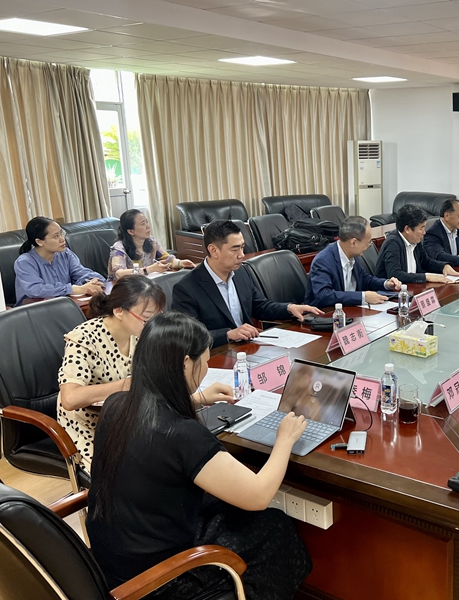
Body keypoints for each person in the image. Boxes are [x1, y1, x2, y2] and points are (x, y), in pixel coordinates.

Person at [87, 312, 311, 599]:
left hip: (113, 563)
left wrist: (198, 398)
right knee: (274, 527)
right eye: (204, 361)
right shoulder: (183, 435)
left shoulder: (116, 405)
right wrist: (285, 439)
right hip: (160, 579)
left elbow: (152, 413)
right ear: (185, 364)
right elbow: (258, 495)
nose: (206, 368)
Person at [58, 275, 233, 468]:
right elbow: (70, 399)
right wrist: (129, 383)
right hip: (92, 427)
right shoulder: (83, 338)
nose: (153, 324)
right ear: (119, 311)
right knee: (147, 469)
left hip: (134, 419)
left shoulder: (141, 334)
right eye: (148, 317)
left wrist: (197, 398)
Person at [172, 220, 322, 348]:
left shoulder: (241, 272)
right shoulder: (186, 288)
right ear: (213, 250)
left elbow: (260, 306)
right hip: (216, 354)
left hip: (247, 349)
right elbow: (188, 336)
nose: (242, 255)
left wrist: (289, 308)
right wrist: (228, 334)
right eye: (235, 249)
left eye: (242, 247)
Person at [305, 215, 401, 308]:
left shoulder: (352, 254)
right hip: (326, 313)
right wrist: (362, 297)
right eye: (368, 243)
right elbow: (324, 295)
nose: (369, 246)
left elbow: (365, 279)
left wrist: (386, 284)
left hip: (351, 310)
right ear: (353, 242)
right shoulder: (323, 261)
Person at [14, 216, 105, 306]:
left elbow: (80, 272)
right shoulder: (24, 262)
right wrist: (73, 289)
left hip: (64, 305)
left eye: (62, 233)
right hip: (35, 310)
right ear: (39, 242)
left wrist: (92, 282)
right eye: (56, 236)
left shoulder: (65, 253)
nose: (62, 239)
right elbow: (36, 290)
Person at [376, 204, 459, 284]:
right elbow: (395, 274)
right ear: (407, 229)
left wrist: (443, 267)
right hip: (392, 292)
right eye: (421, 228)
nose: (424, 232)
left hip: (412, 288)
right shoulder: (393, 244)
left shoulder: (414, 240)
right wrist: (426, 277)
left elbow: (426, 262)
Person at [108, 208, 195, 280]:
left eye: (147, 222)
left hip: (146, 285)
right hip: (122, 289)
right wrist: (149, 269)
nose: (148, 226)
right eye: (143, 224)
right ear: (131, 231)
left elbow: (168, 259)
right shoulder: (119, 248)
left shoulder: (151, 241)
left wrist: (181, 263)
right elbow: (119, 274)